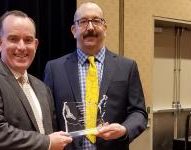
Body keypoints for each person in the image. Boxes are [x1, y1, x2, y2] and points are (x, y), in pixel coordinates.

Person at [44, 2, 148, 150]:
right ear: (74, 30)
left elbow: (139, 112)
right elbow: (48, 116)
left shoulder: (127, 67)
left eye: (96, 21)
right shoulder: (54, 69)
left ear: (105, 28)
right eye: (84, 22)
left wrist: (124, 129)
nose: (90, 27)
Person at [0, 10, 72, 150]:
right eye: (13, 39)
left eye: (28, 40)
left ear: (36, 45)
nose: (22, 47)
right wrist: (47, 143)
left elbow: (51, 134)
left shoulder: (42, 88)